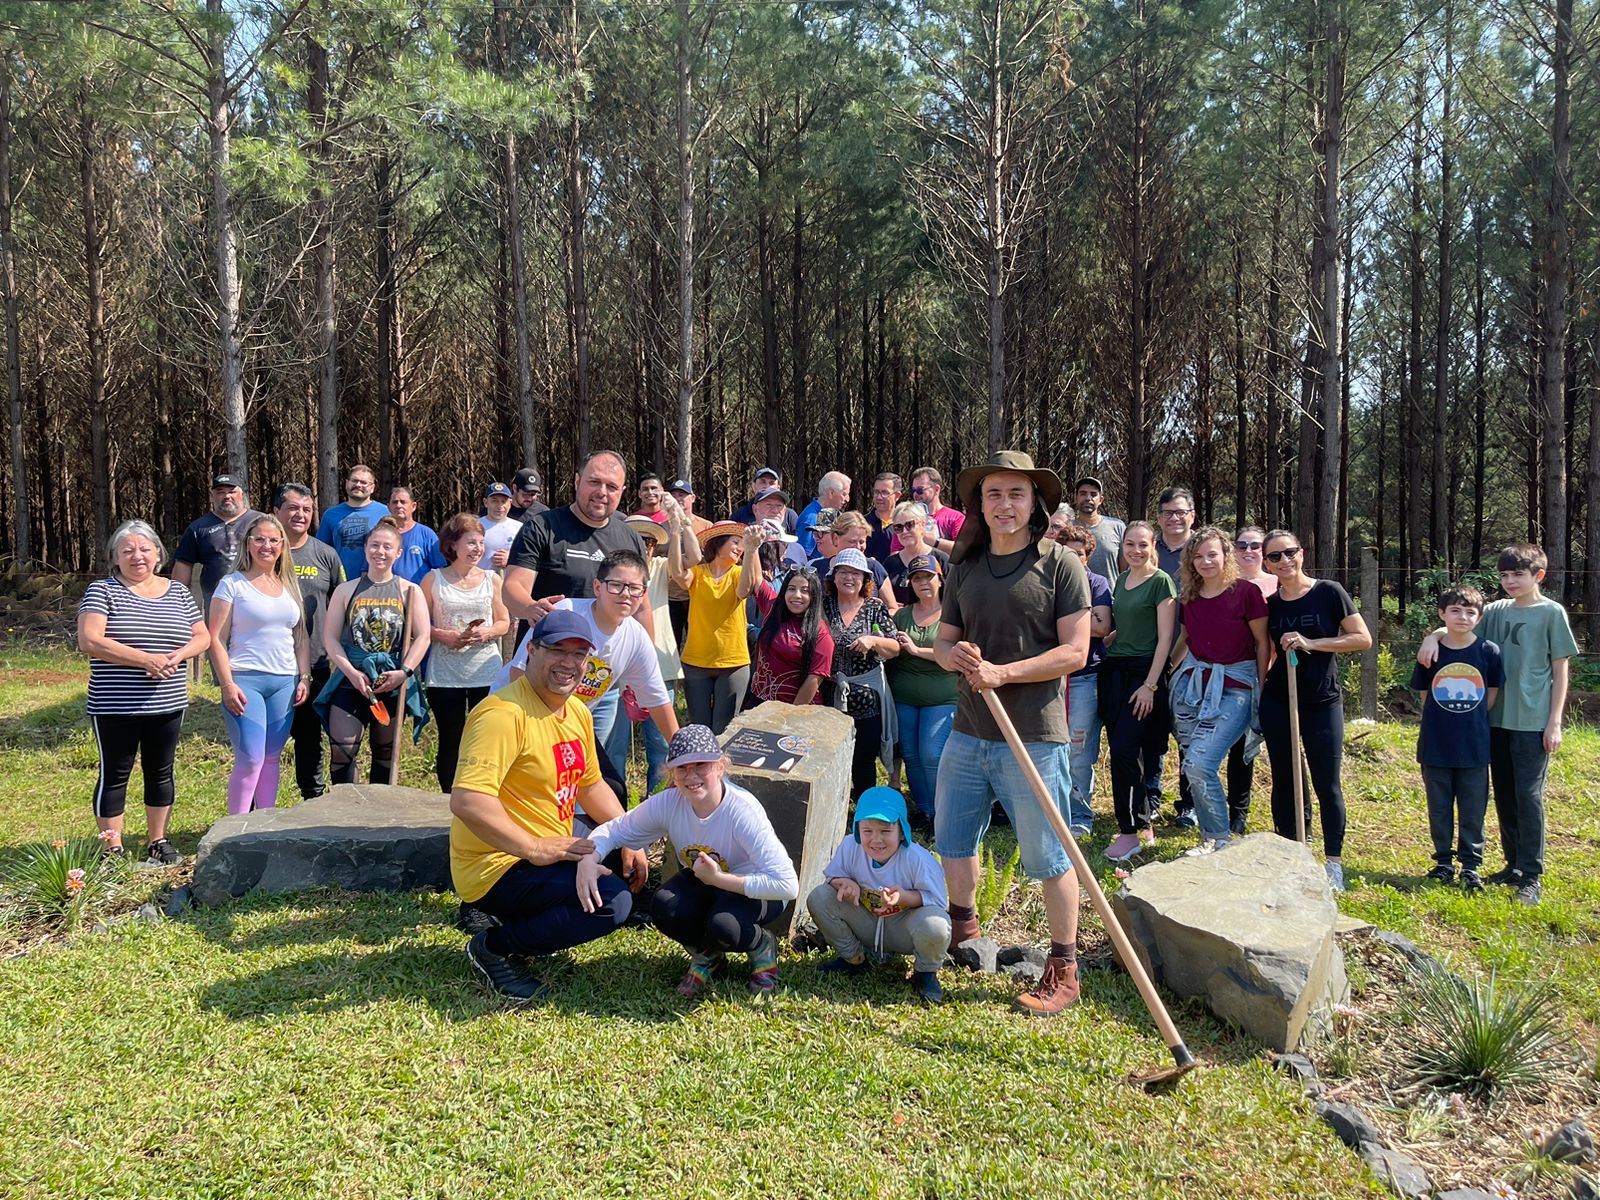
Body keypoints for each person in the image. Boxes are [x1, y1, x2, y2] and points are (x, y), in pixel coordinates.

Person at [932, 450, 1090, 1016]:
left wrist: (1004, 673)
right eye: (994, 494)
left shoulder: (1060, 566)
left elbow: (1076, 650)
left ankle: (1063, 967)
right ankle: (963, 936)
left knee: (1049, 855)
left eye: (1016, 494)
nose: (1004, 504)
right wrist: (959, 659)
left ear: (1035, 503)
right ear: (981, 503)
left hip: (1035, 736)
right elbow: (944, 643)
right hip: (968, 731)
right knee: (952, 838)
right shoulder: (966, 568)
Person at [448, 609, 648, 1001]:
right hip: (496, 863)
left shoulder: (574, 710)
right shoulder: (501, 714)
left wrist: (630, 837)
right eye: (558, 650)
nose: (569, 663)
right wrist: (534, 848)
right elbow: (468, 801)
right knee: (612, 901)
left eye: (579, 655)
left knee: (624, 875)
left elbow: (590, 785)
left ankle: (522, 917)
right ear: (532, 652)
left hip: (548, 847)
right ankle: (495, 947)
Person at [577, 725, 798, 997]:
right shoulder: (670, 802)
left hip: (753, 885)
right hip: (706, 879)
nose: (691, 776)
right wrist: (590, 858)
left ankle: (761, 946)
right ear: (671, 773)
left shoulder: (742, 811)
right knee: (665, 906)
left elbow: (787, 886)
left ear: (720, 766)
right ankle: (708, 956)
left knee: (725, 926)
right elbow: (613, 830)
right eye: (681, 768)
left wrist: (719, 879)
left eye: (701, 765)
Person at [1417, 544, 1576, 905]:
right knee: (1503, 793)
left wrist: (1554, 721)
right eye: (1504, 575)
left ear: (1538, 576)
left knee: (1529, 796)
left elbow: (1560, 668)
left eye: (1517, 574)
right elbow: (1458, 628)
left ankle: (1531, 874)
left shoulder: (1552, 613)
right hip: (1491, 720)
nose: (1509, 581)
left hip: (1532, 720)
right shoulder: (1497, 610)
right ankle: (1512, 865)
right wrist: (1431, 636)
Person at [77, 521, 210, 863]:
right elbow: (90, 640)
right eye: (128, 550)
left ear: (158, 555)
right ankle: (112, 849)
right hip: (115, 704)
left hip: (167, 702)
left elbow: (202, 637)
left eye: (144, 549)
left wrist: (177, 657)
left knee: (161, 771)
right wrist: (145, 661)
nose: (137, 556)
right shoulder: (102, 591)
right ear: (115, 558)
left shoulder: (178, 592)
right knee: (115, 774)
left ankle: (158, 841)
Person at [499, 549, 680, 786]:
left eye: (634, 588)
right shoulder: (565, 612)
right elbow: (519, 673)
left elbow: (658, 702)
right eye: (616, 585)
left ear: (643, 593)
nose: (625, 594)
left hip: (569, 724)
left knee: (612, 788)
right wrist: (541, 734)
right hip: (518, 713)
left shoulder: (636, 638)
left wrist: (683, 753)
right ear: (597, 587)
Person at [1260, 529, 1372, 892]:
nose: (1283, 561)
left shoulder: (1328, 592)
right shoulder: (1273, 604)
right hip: (1280, 698)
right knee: (1287, 777)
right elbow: (1270, 650)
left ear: (1302, 553)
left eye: (1288, 553)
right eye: (1274, 557)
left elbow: (1362, 638)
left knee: (1327, 782)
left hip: (1322, 700)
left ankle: (1334, 863)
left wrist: (1312, 643)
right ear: (1266, 563)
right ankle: (1294, 850)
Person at [1165, 527, 1269, 856]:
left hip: (1236, 688)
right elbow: (1186, 639)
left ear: (1226, 555)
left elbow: (1262, 641)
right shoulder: (1190, 598)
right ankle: (1210, 837)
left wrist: (1261, 689)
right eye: (1198, 556)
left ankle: (1219, 838)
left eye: (1212, 554)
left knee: (1198, 763)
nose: (1206, 561)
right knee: (1193, 764)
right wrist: (1167, 673)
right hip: (1197, 687)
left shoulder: (1246, 593)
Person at [208, 514, 311, 816]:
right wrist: (227, 684)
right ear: (248, 544)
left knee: (271, 757)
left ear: (282, 546)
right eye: (259, 539)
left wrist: (304, 677)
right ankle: (236, 831)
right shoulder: (232, 585)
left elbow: (300, 636)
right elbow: (215, 638)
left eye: (273, 540)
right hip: (244, 680)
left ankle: (264, 824)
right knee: (250, 758)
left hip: (284, 682)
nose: (267, 545)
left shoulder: (288, 585)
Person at [809, 786, 951, 1004]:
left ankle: (925, 973)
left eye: (885, 831)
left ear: (902, 831)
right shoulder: (850, 846)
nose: (876, 840)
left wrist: (904, 897)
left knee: (936, 925)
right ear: (858, 830)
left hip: (904, 929)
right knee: (819, 897)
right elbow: (833, 876)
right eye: (867, 831)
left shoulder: (917, 859)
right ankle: (854, 960)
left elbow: (937, 901)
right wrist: (845, 884)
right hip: (866, 922)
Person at [318, 517, 432, 785]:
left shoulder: (409, 591)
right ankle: (346, 812)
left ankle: (378, 818)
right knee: (343, 748)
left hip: (391, 680)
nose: (380, 552)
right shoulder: (346, 590)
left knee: (385, 751)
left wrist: (404, 672)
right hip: (353, 677)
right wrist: (351, 673)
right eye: (375, 545)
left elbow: (423, 636)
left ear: (398, 552)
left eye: (387, 547)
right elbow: (330, 638)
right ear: (366, 548)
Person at [1408, 585, 1503, 893]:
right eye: (1455, 611)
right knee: (1438, 806)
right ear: (1442, 614)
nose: (1463, 617)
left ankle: (1471, 866)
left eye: (1470, 612)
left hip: (1474, 745)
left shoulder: (1488, 651)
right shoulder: (1429, 653)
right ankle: (1443, 862)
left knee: (1473, 807)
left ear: (1479, 617)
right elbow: (1425, 695)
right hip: (1435, 743)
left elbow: (1490, 695)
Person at [1098, 521, 1178, 862]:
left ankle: (1129, 832)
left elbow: (1165, 639)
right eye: (1129, 544)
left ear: (1153, 544)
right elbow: (1126, 624)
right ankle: (1144, 823)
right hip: (1115, 670)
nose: (1135, 551)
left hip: (1143, 674)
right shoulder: (1121, 579)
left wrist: (1150, 685)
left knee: (1125, 750)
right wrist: (1111, 638)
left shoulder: (1161, 582)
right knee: (1129, 751)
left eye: (1142, 545)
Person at [503, 450, 648, 626]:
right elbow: (513, 587)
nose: (602, 492)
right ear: (577, 481)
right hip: (549, 647)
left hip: (609, 651)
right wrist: (530, 608)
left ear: (622, 491)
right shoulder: (541, 527)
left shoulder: (631, 539)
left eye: (612, 487)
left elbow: (642, 608)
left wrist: (647, 651)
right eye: (594, 482)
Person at [421, 514, 511, 793]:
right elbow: (419, 626)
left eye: (481, 543)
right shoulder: (433, 579)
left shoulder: (492, 580)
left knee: (485, 736)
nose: (477, 549)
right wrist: (443, 635)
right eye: (471, 542)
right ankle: (448, 799)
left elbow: (504, 622)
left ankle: (483, 793)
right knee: (451, 737)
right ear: (452, 545)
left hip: (487, 671)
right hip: (445, 675)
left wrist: (487, 632)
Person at [274, 483, 343, 800]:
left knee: (309, 736)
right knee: (265, 740)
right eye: (293, 508)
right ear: (276, 512)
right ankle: (260, 806)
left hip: (314, 662)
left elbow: (340, 605)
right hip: (266, 663)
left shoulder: (326, 555)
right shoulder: (262, 550)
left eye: (306, 509)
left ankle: (312, 798)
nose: (300, 514)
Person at [671, 522, 772, 732]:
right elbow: (678, 573)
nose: (739, 548)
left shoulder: (738, 573)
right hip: (695, 662)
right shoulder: (698, 573)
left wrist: (752, 550)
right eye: (735, 542)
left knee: (723, 730)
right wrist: (674, 530)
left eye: (742, 544)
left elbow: (744, 590)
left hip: (733, 664)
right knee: (699, 728)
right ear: (718, 544)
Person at [1053, 523, 1114, 839]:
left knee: (1079, 748)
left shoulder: (1097, 583)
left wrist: (1064, 620)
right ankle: (1055, 811)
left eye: (1080, 553)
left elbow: (1102, 627)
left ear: (1088, 556)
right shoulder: (1049, 579)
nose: (1074, 558)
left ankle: (1080, 815)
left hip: (1085, 678)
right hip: (1050, 678)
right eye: (1068, 552)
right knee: (1050, 747)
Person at [825, 547, 900, 799]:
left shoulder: (873, 609)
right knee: (831, 758)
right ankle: (834, 810)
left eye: (856, 574)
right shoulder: (822, 606)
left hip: (867, 699)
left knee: (864, 760)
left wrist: (873, 640)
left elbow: (895, 647)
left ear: (866, 580)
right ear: (833, 577)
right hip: (830, 696)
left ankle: (864, 812)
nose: (849, 578)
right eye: (843, 572)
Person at [889, 554, 957, 826]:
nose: (922, 583)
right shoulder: (902, 615)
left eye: (928, 576)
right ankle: (925, 810)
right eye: (916, 578)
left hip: (942, 697)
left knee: (931, 753)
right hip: (904, 696)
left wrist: (916, 650)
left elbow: (953, 655)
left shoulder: (953, 615)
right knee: (911, 754)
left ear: (940, 579)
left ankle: (944, 812)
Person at [622, 514, 684, 792]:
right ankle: (616, 807)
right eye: (636, 538)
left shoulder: (659, 567)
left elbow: (688, 562)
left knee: (660, 744)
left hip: (659, 666)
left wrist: (679, 527)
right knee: (613, 745)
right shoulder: (611, 573)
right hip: (616, 668)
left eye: (648, 541)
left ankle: (657, 802)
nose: (643, 545)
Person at [1149, 485, 1197, 825]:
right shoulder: (1149, 548)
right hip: (1152, 653)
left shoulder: (1202, 550)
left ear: (1191, 515)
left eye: (1180, 512)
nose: (1174, 518)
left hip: (1194, 656)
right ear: (1159, 517)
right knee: (1152, 732)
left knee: (1189, 734)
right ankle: (1151, 797)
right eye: (1168, 512)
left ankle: (1190, 803)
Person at [1224, 526, 1277, 833]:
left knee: (1285, 749)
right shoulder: (1227, 585)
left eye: (1255, 545)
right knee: (1240, 749)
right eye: (1241, 545)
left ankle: (1296, 818)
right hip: (1241, 677)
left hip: (1277, 675)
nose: (1248, 550)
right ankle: (1238, 813)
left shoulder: (1278, 582)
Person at [173, 474, 262, 609]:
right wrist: (175, 602)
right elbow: (183, 566)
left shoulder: (261, 522)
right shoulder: (198, 528)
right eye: (220, 492)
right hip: (216, 605)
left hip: (258, 601)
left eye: (232, 492)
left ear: (242, 494)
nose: (227, 496)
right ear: (212, 496)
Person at [749, 566, 833, 705]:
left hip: (794, 709)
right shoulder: (773, 608)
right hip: (759, 703)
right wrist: (752, 548)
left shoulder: (821, 634)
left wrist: (790, 717)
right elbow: (757, 579)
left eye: (805, 591)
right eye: (791, 588)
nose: (797, 595)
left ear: (815, 595)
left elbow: (813, 680)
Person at [316, 464, 391, 581]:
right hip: (340, 583)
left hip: (376, 583)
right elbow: (321, 553)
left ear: (372, 487)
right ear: (346, 483)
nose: (358, 485)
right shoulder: (331, 514)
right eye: (354, 481)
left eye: (364, 482)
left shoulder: (385, 513)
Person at [816, 511, 896, 608]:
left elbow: (893, 608)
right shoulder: (817, 568)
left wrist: (877, 611)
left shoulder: (874, 568)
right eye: (852, 541)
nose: (858, 547)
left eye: (862, 542)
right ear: (835, 538)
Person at [667, 478, 712, 646]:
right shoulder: (663, 526)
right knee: (670, 643)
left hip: (697, 595)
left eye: (683, 495)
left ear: (692, 498)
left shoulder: (706, 525)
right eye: (674, 495)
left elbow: (712, 560)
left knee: (697, 642)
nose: (679, 499)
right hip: (669, 595)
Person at [880, 502, 951, 605]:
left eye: (909, 525)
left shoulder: (941, 559)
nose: (904, 531)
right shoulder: (889, 564)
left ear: (922, 525)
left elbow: (953, 596)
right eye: (898, 527)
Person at [388, 485, 446, 584]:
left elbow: (441, 570)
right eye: (395, 502)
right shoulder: (382, 535)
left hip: (419, 595)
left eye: (403, 502)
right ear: (388, 507)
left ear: (413, 506)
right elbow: (368, 569)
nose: (398, 505)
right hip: (388, 596)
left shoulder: (427, 534)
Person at [1071, 476, 1125, 582]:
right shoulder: (1067, 527)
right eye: (1083, 493)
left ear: (1101, 500)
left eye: (1093, 494)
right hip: (1074, 595)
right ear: (1075, 498)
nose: (1088, 498)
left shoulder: (1117, 527)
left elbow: (1125, 569)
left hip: (1110, 597)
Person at [908, 466, 965, 554]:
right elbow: (896, 552)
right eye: (913, 490)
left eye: (920, 490)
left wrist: (935, 542)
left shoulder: (956, 517)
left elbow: (962, 549)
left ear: (937, 489)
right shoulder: (906, 518)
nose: (916, 494)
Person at [797, 471, 851, 557]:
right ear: (831, 493)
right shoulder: (811, 518)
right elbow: (803, 556)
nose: (847, 499)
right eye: (844, 494)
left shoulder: (835, 515)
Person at [731, 470, 799, 534]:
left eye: (772, 483)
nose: (767, 486)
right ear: (753, 486)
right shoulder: (739, 515)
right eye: (763, 482)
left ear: (778, 487)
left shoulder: (790, 515)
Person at [478, 483, 523, 575]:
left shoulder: (520, 528)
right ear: (486, 502)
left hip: (509, 584)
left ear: (510, 503)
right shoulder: (475, 526)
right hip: (480, 584)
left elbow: (528, 559)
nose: (500, 506)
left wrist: (510, 559)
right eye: (494, 501)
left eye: (503, 501)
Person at [864, 472, 902, 560]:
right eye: (876, 492)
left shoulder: (906, 526)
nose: (879, 497)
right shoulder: (862, 523)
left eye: (885, 493)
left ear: (897, 496)